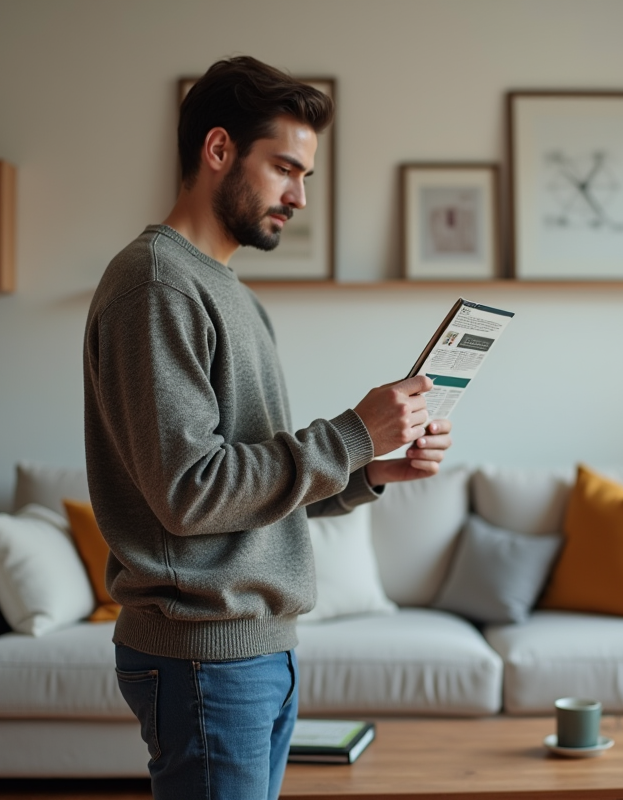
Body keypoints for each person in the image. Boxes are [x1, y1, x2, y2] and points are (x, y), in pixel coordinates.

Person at [81, 56, 453, 800]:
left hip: (257, 651)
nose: (300, 196)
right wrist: (352, 434)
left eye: (306, 176)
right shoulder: (157, 284)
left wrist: (368, 469)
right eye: (285, 168)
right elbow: (191, 491)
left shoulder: (235, 297)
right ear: (219, 149)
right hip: (204, 654)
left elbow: (247, 493)